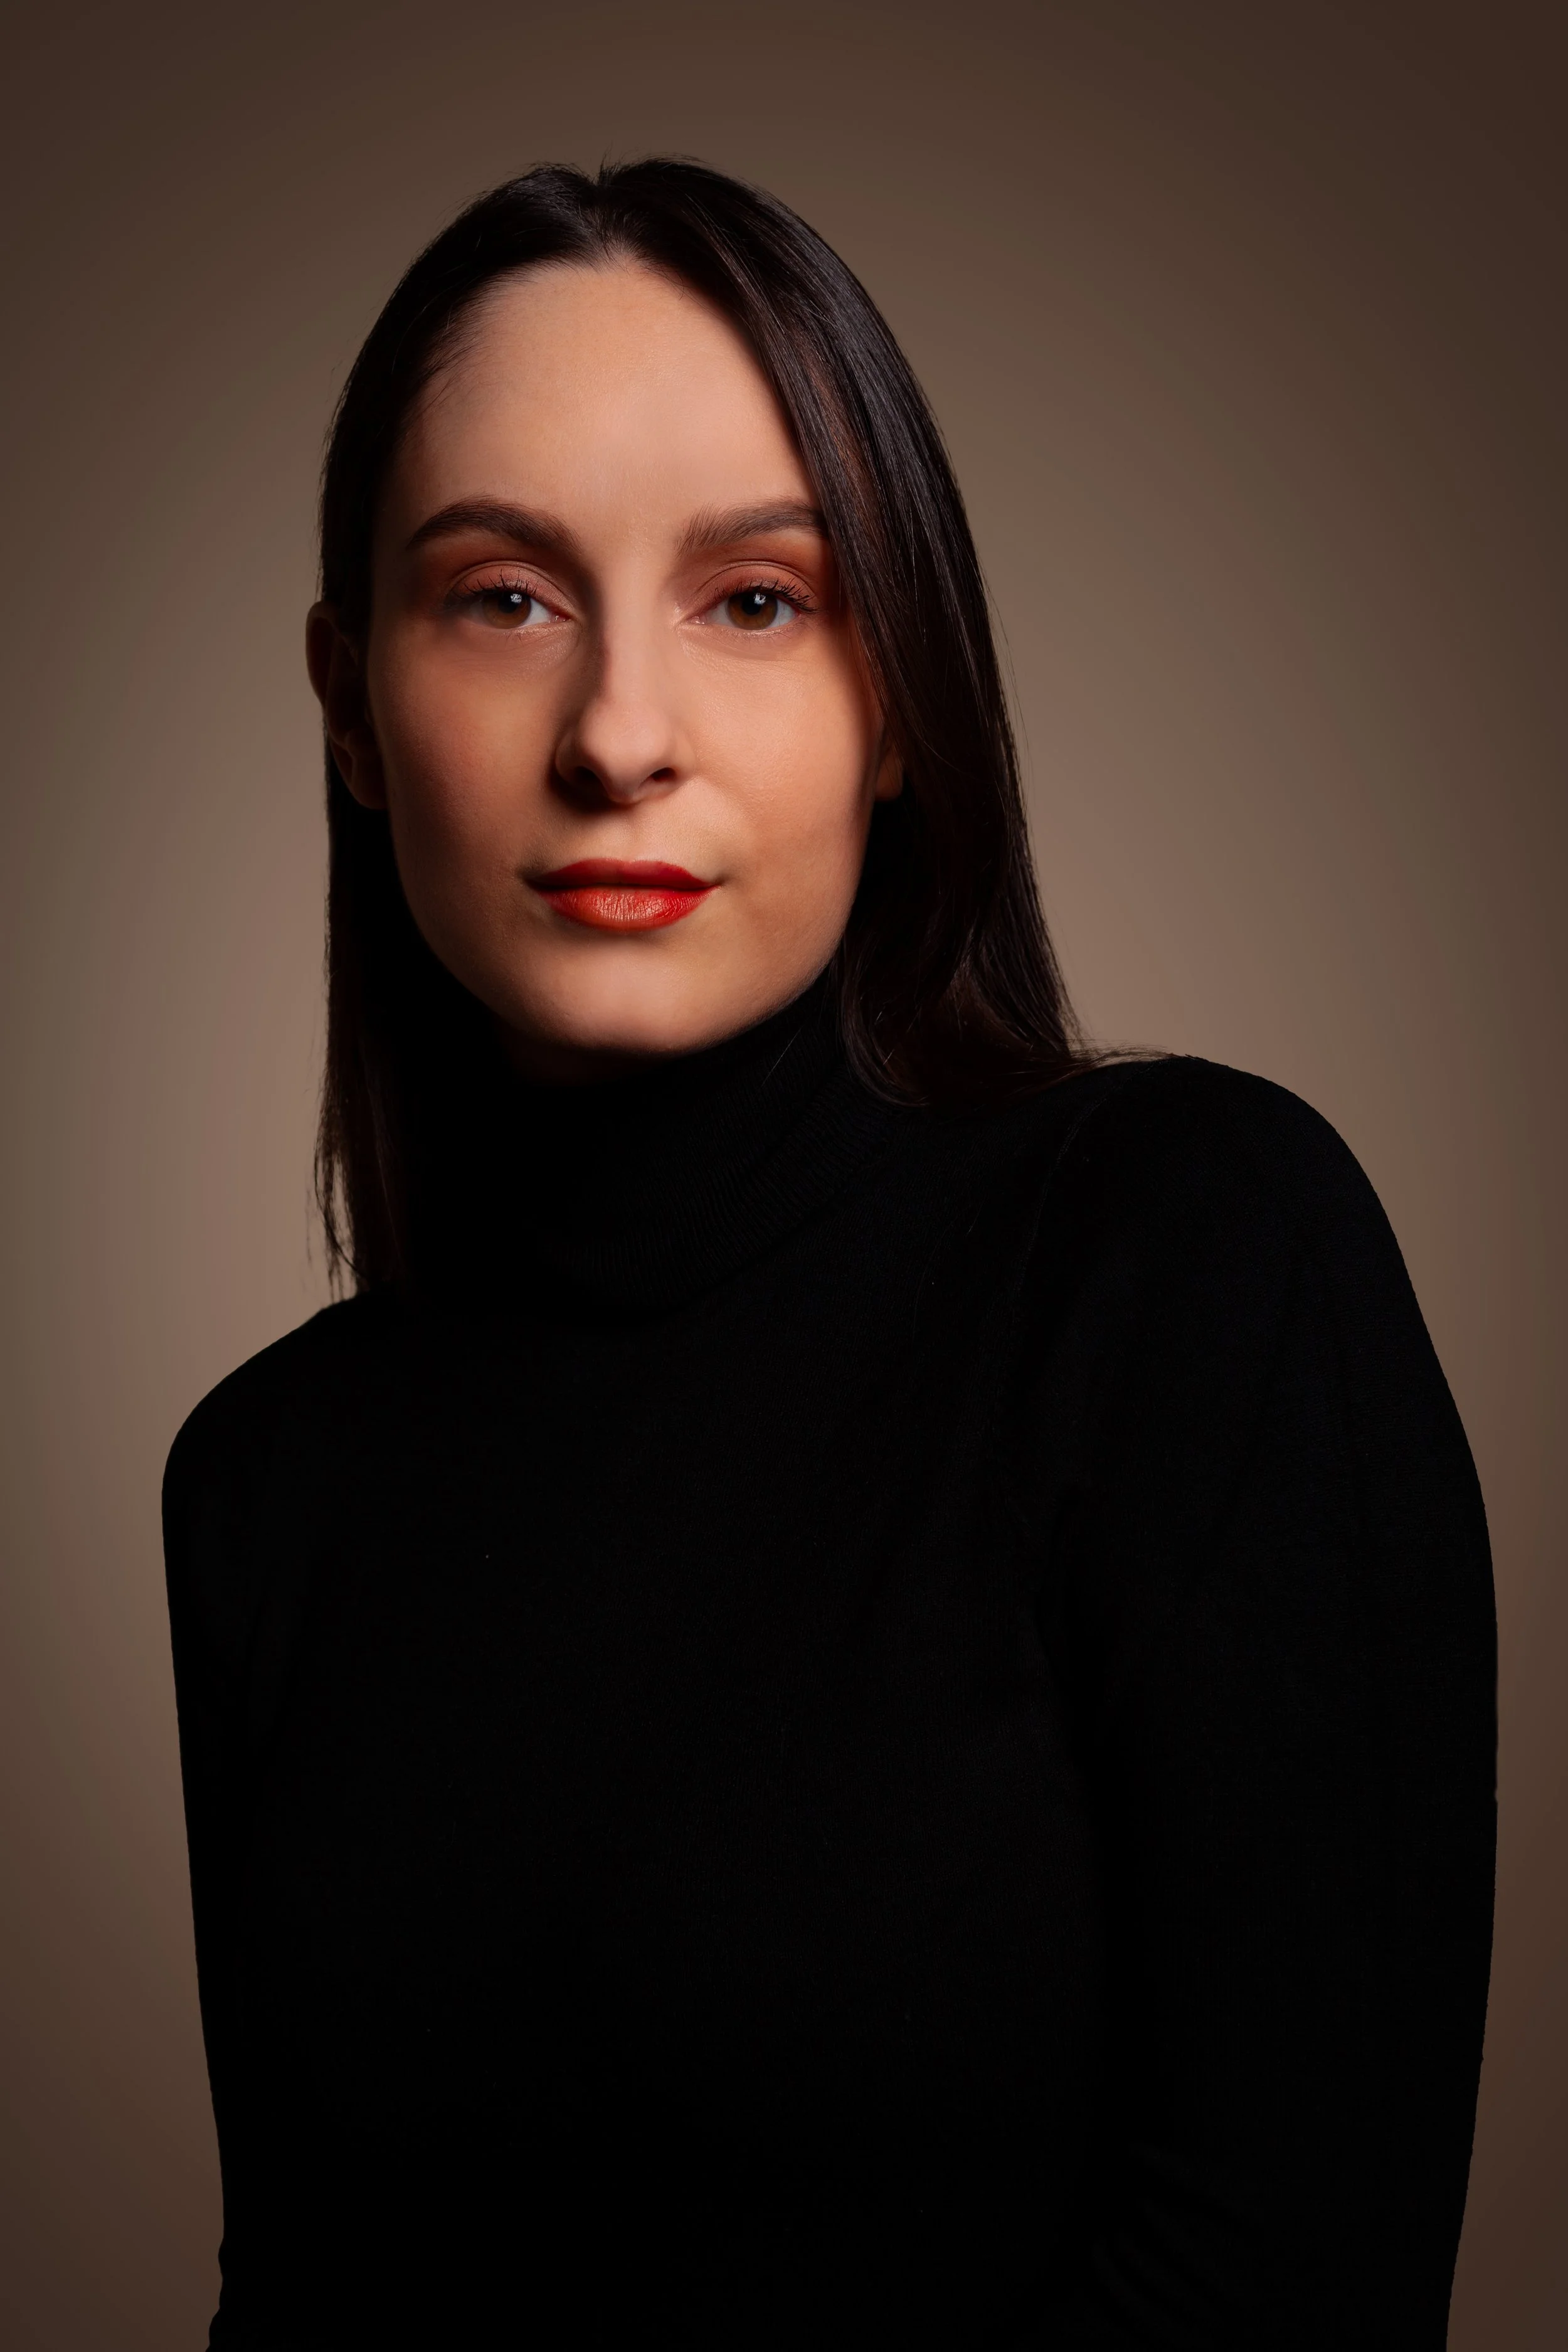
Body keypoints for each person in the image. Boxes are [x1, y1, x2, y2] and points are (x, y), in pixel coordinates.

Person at [162, 159, 1495, 2350]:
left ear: (903, 698)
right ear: (342, 701)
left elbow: (1289, 2283)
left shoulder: (1193, 1261)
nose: (617, 735)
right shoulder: (266, 1484)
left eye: (755, 600)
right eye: (500, 595)